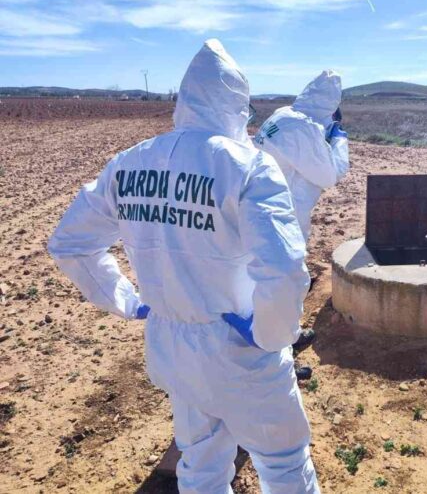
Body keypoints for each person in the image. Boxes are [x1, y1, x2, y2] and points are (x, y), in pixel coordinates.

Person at [48, 39, 320, 494]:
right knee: (283, 463)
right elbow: (285, 268)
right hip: (240, 348)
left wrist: (130, 303)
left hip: (172, 345)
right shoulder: (249, 168)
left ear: (185, 100)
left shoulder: (130, 163)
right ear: (238, 106)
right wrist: (271, 336)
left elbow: (70, 244)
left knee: (201, 463)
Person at [254, 70, 350, 373]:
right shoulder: (306, 128)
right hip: (283, 216)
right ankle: (279, 357)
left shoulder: (282, 114)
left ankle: (288, 335)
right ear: (329, 108)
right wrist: (338, 142)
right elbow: (330, 175)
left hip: (259, 209)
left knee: (268, 281)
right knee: (285, 282)